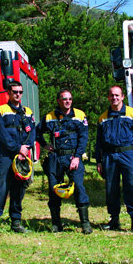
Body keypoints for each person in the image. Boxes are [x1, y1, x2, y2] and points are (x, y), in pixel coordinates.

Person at [95, 85, 133, 233]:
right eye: (112, 95)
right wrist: (99, 161)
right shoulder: (103, 117)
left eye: (117, 95)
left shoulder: (132, 114)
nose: (114, 98)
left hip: (128, 155)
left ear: (122, 97)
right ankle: (114, 221)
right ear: (108, 97)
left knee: (132, 188)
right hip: (109, 156)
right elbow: (98, 143)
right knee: (111, 190)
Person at [36, 89, 92, 234]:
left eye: (70, 99)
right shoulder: (49, 117)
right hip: (55, 158)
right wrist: (44, 144)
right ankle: (56, 224)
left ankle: (85, 223)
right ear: (58, 101)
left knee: (79, 187)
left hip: (74, 157)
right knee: (54, 190)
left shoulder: (79, 115)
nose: (68, 102)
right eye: (64, 99)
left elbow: (83, 137)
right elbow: (37, 132)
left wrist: (78, 156)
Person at [0, 81, 36, 234]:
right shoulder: (0, 111)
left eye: (20, 92)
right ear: (8, 93)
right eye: (15, 91)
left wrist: (26, 148)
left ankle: (16, 222)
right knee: (1, 189)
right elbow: (1, 135)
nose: (18, 95)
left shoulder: (27, 112)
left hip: (22, 156)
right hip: (6, 156)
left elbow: (32, 132)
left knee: (19, 190)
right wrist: (18, 148)